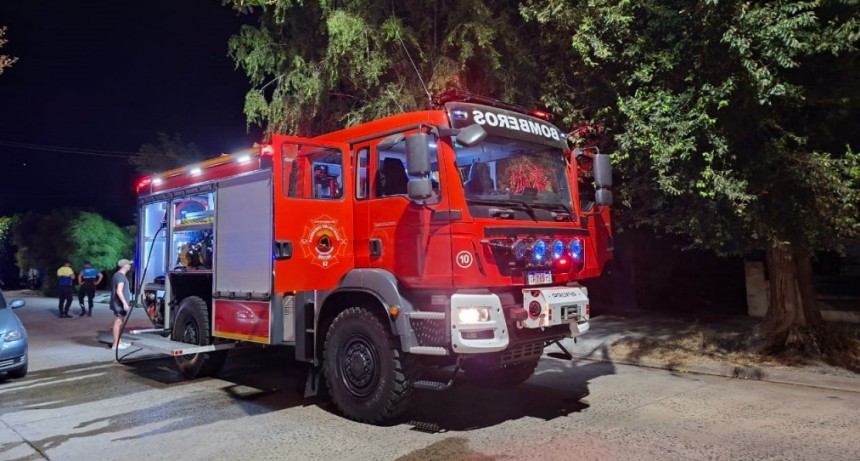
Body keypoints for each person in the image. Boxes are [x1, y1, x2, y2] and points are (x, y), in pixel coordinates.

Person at [110, 258, 133, 350]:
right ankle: (115, 345)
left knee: (120, 322)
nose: (130, 266)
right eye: (129, 264)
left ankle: (119, 342)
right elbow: (119, 291)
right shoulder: (120, 276)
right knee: (118, 322)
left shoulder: (118, 275)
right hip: (119, 303)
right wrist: (124, 303)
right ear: (124, 266)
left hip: (118, 303)